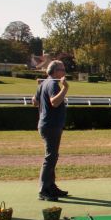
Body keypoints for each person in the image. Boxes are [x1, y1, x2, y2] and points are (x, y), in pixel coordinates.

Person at [32, 60, 69, 201]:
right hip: (51, 126)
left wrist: (41, 92)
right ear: (54, 71)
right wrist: (65, 88)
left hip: (46, 124)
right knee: (50, 158)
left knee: (52, 156)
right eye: (62, 69)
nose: (64, 72)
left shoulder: (43, 83)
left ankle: (51, 186)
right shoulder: (53, 83)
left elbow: (34, 101)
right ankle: (44, 190)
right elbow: (55, 102)